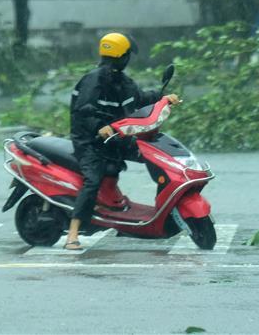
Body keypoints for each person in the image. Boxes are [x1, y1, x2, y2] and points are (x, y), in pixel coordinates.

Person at [64, 32, 180, 250]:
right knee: (93, 179)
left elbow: (140, 99)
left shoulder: (123, 81)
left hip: (117, 138)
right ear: (123, 56)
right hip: (90, 142)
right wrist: (100, 127)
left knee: (153, 155)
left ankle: (162, 212)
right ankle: (73, 232)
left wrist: (163, 98)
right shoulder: (93, 80)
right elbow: (83, 111)